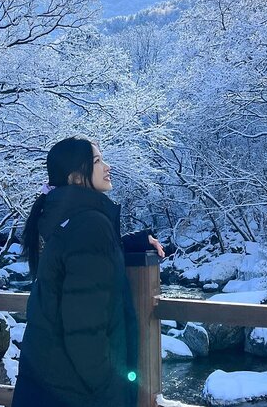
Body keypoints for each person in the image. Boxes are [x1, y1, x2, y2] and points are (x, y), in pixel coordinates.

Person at [12, 136, 164, 407]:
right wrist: (110, 388)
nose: (107, 166)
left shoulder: (71, 222)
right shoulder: (90, 226)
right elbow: (84, 330)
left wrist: (131, 243)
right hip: (77, 392)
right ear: (76, 177)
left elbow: (84, 265)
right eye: (96, 161)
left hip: (50, 382)